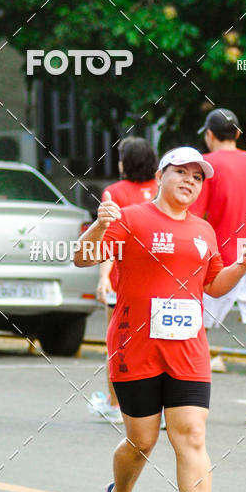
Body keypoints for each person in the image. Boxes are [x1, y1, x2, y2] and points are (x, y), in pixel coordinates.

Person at [74, 146, 246, 492]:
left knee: (192, 434)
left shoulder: (204, 230)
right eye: (182, 172)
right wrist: (98, 228)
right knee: (141, 442)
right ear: (161, 175)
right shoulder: (132, 218)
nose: (190, 181)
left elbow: (213, 285)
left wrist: (243, 266)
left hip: (188, 351)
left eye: (198, 176)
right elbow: (83, 257)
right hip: (134, 346)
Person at [190, 107, 246, 426]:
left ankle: (187, 406)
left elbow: (195, 216)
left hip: (220, 262)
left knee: (192, 331)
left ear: (210, 135)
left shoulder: (206, 164)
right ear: (239, 134)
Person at [92, 137, 158, 424]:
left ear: (124, 163)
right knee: (158, 345)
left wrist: (104, 276)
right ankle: (162, 406)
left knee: (118, 344)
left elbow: (111, 240)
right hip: (162, 283)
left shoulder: (114, 193)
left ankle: (115, 404)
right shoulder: (162, 189)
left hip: (125, 283)